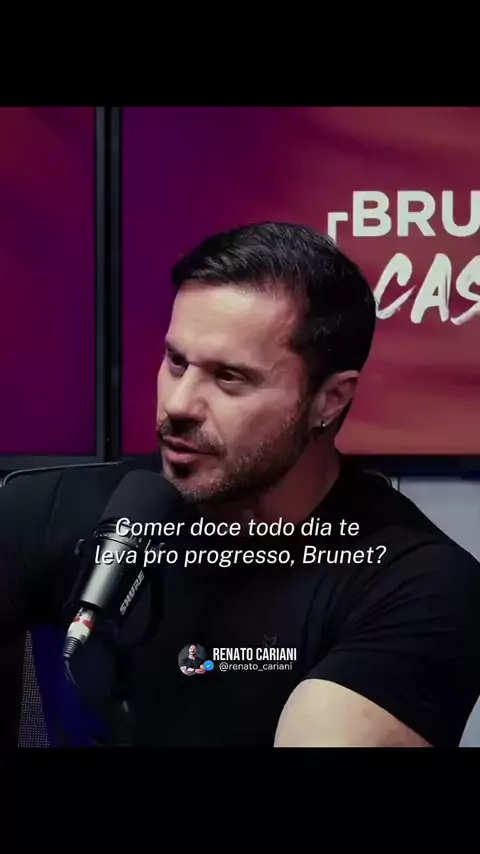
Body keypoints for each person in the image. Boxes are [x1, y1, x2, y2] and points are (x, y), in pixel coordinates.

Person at [2, 222, 480, 748]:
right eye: (176, 362)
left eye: (229, 377)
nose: (179, 404)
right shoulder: (44, 512)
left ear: (331, 399)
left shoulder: (421, 585)